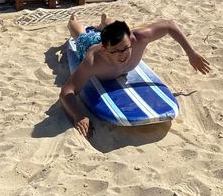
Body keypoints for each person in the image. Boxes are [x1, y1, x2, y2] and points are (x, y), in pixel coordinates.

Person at [59, 14, 212, 138]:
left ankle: (105, 20)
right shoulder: (93, 60)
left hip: (113, 38)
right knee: (79, 34)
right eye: (116, 52)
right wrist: (78, 115)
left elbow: (169, 25)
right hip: (89, 44)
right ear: (105, 50)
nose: (123, 55)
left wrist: (191, 53)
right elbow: (67, 91)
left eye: (126, 48)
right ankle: (74, 19)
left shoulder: (138, 38)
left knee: (112, 24)